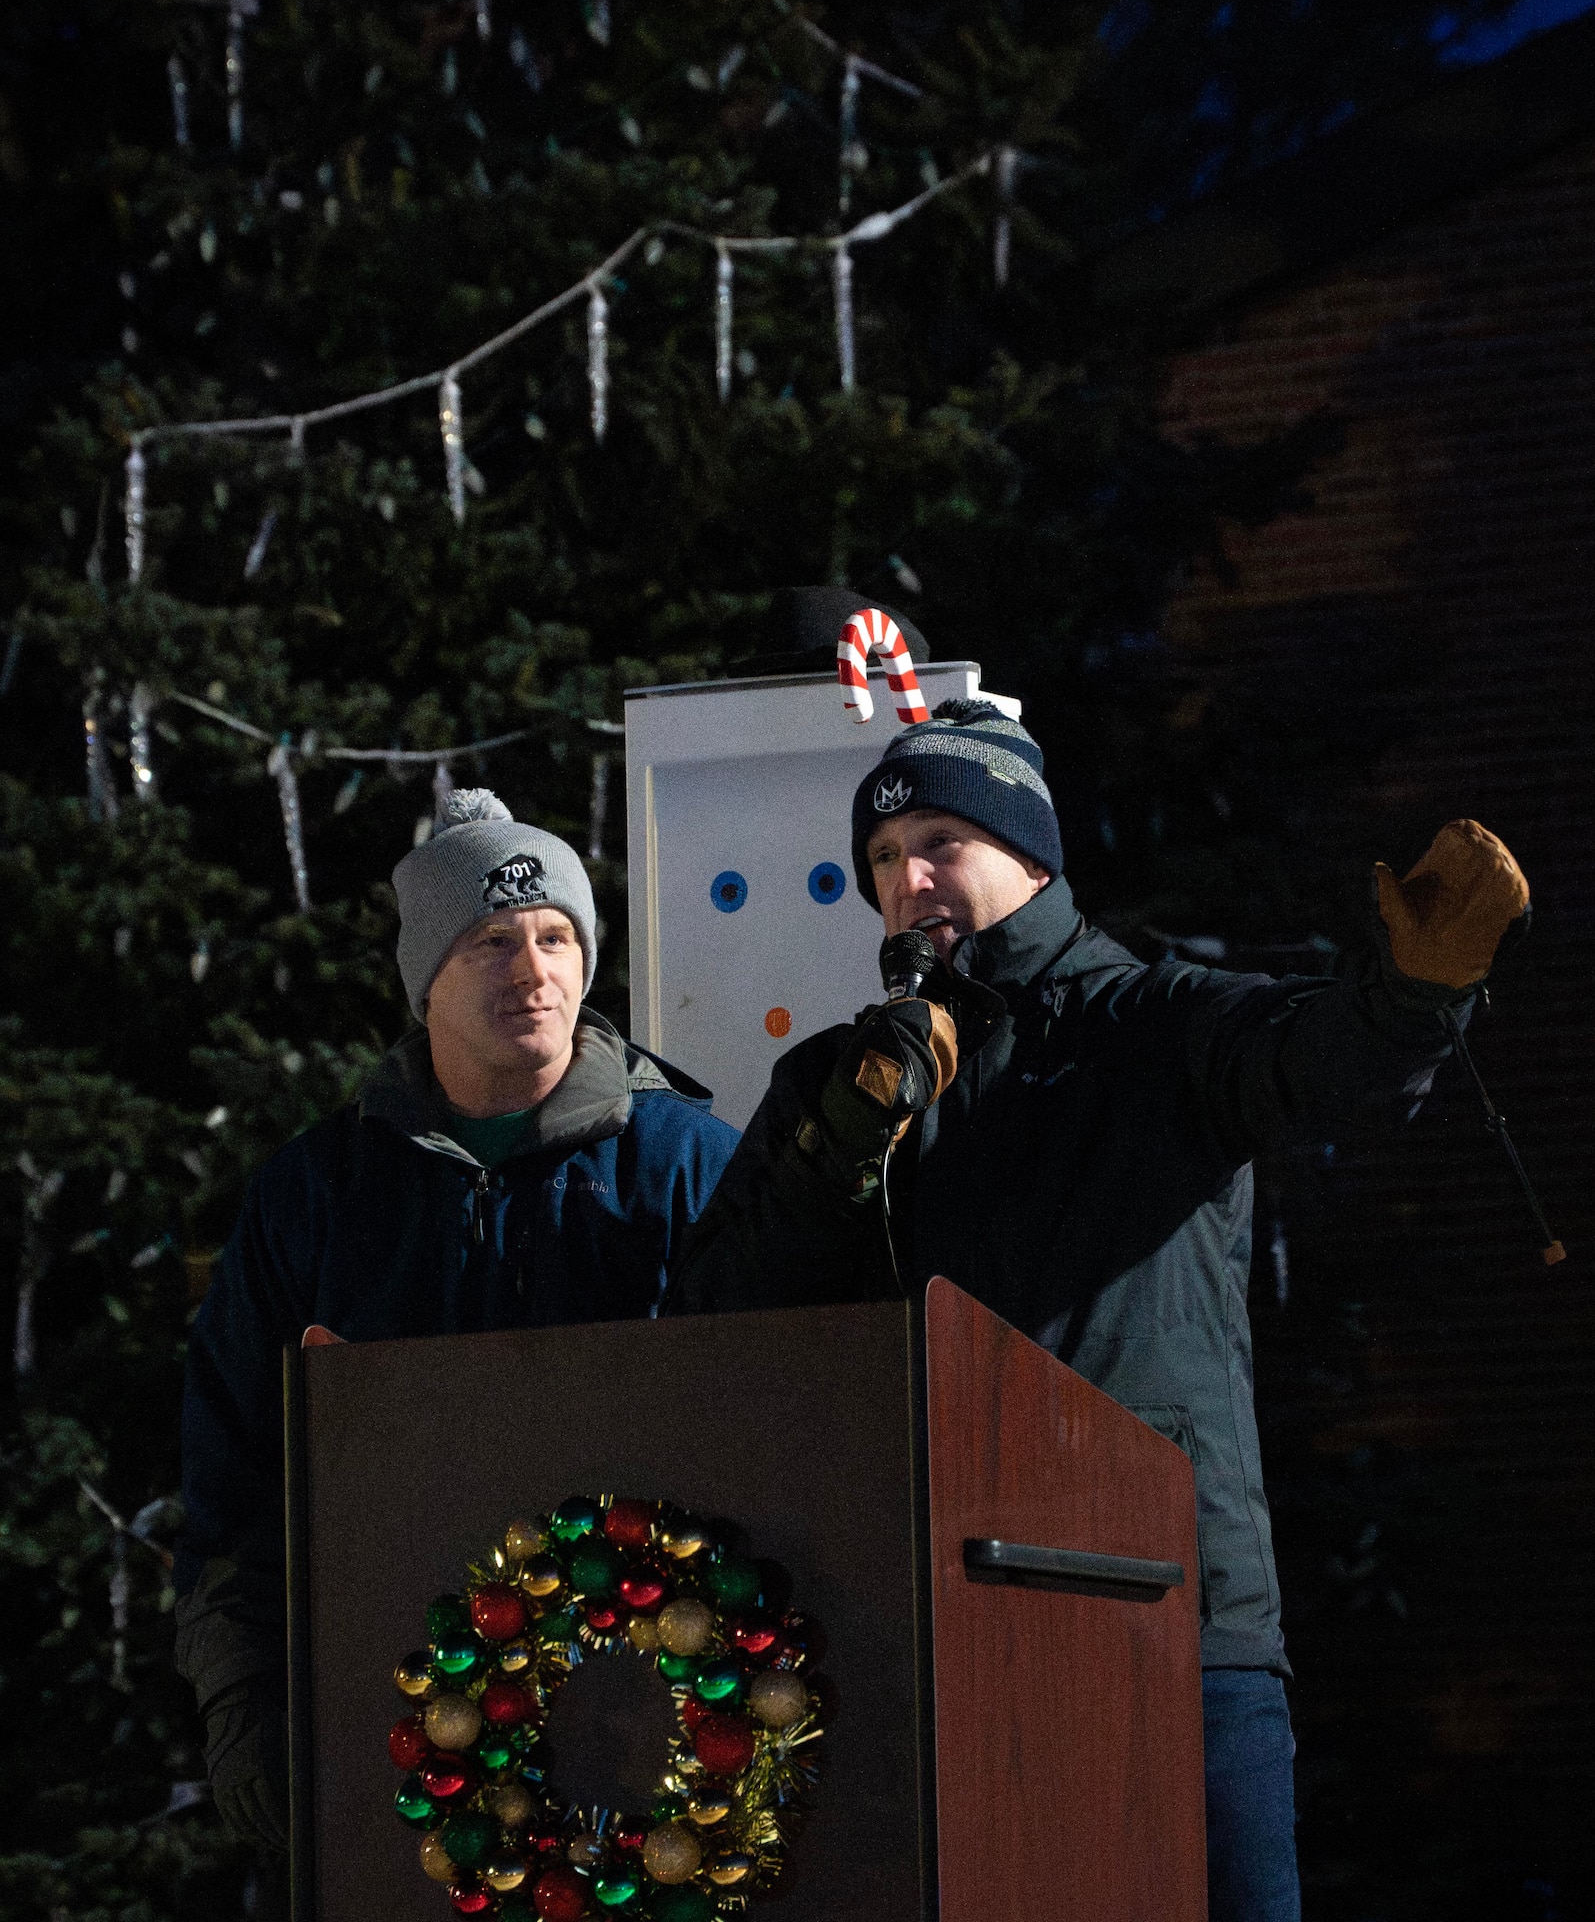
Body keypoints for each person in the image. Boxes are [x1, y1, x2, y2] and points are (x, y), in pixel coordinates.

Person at [664, 699, 1529, 1922]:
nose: (906, 880)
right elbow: (712, 1313)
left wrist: (1411, 998)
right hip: (934, 1625)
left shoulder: (1155, 1022)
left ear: (1030, 855)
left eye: (940, 843)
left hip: (1169, 1619)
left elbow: (1309, 1056)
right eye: (877, 859)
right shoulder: (839, 1080)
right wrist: (837, 1149)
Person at [174, 788, 738, 1857]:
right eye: (489, 941)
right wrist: (240, 1692)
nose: (532, 969)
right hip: (387, 1709)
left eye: (556, 936)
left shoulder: (687, 1167)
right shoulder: (317, 1195)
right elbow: (234, 1472)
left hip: (651, 1721)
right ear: (423, 975)